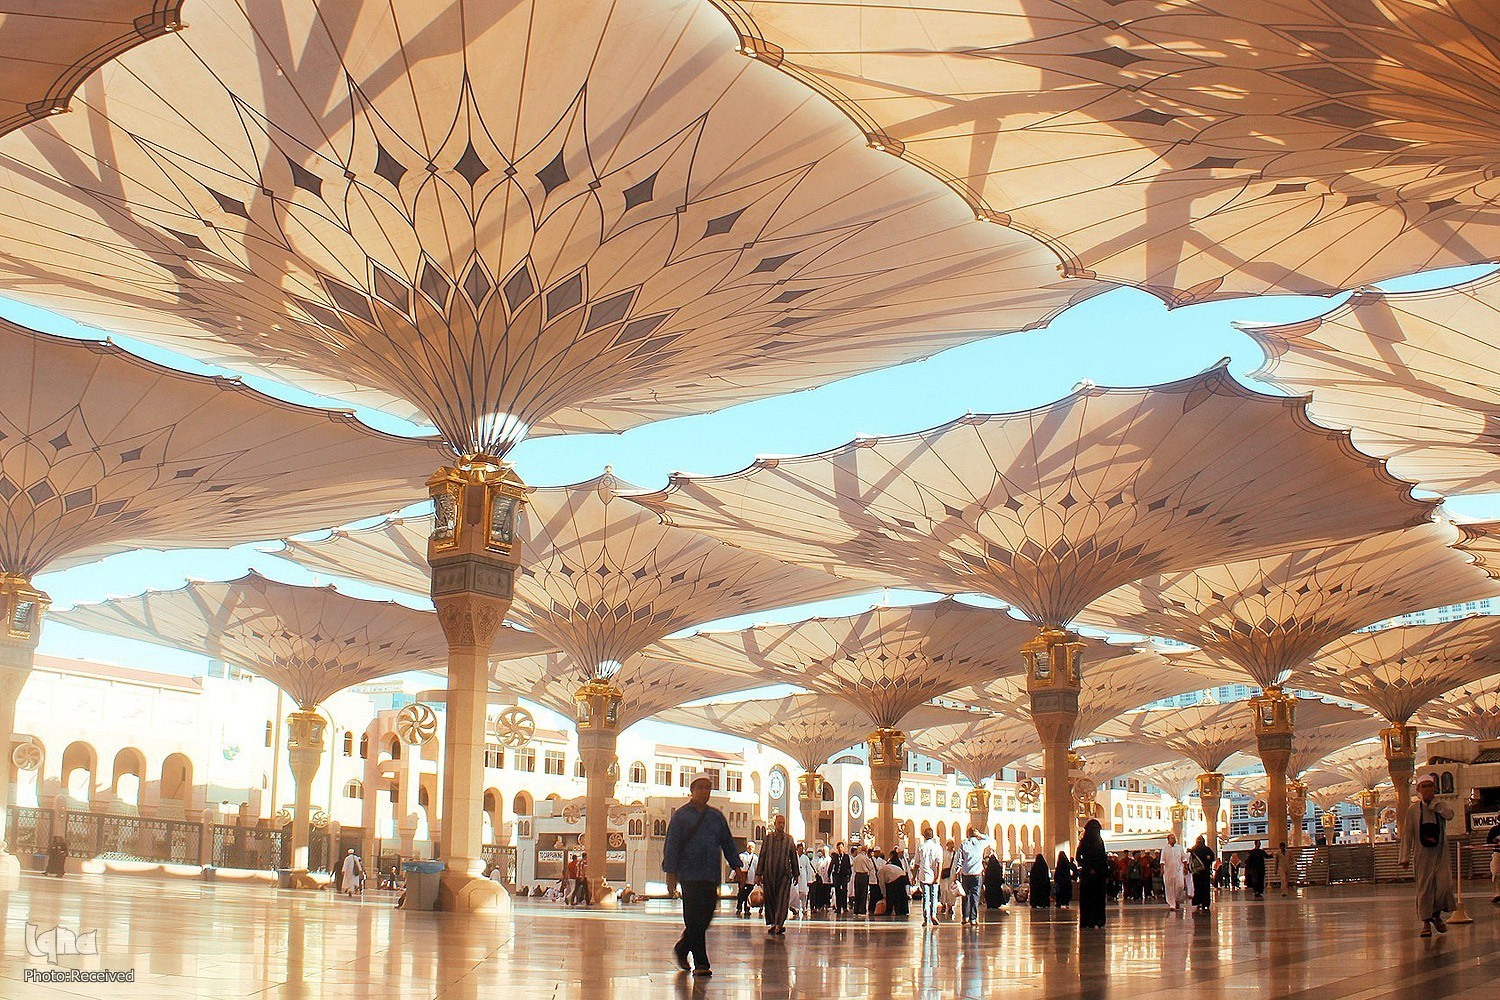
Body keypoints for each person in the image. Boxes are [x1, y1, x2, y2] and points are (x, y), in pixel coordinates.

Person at [662, 774, 744, 977]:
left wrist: (737, 867)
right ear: (692, 790)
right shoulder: (681, 816)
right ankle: (701, 962)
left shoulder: (716, 817)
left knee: (706, 916)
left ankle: (682, 948)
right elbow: (672, 846)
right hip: (689, 875)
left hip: (710, 875)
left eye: (708, 788)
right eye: (700, 787)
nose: (704, 791)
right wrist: (671, 874)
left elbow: (727, 843)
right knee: (693, 918)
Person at [1399, 773, 1456, 937]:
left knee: (1443, 887)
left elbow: (1450, 815)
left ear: (1434, 788)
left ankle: (1436, 916)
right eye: (1423, 787)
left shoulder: (1440, 806)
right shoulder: (1413, 810)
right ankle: (1425, 922)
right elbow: (1407, 834)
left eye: (1429, 786)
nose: (1426, 790)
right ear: (1418, 789)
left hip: (1440, 854)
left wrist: (1435, 805)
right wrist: (1405, 858)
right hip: (1422, 855)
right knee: (1424, 889)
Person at [758, 816, 798, 935]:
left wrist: (796, 874)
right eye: (779, 823)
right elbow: (762, 856)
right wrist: (758, 874)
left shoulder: (789, 840)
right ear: (775, 824)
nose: (781, 825)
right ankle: (773, 924)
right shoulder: (768, 839)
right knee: (770, 899)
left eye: (783, 823)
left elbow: (793, 857)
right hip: (769, 873)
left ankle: (779, 924)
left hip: (784, 875)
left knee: (782, 899)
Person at [1076, 819, 1109, 929]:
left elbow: (1103, 858)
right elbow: (1078, 857)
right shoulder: (1086, 842)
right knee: (1091, 898)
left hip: (1095, 875)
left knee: (1094, 898)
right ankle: (1092, 920)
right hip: (1092, 876)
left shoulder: (1096, 842)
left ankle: (1095, 920)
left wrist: (1089, 868)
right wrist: (1089, 867)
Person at [955, 827, 986, 925]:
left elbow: (959, 860)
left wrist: (957, 871)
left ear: (968, 834)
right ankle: (973, 918)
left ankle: (965, 917)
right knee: (975, 895)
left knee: (965, 895)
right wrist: (980, 835)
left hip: (966, 873)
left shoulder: (964, 844)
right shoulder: (981, 843)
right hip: (977, 873)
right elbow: (991, 840)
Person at [916, 827, 943, 925]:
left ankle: (926, 917)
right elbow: (940, 863)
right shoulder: (938, 847)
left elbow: (916, 863)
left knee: (925, 896)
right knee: (934, 896)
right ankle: (934, 915)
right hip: (934, 875)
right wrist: (938, 877)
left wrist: (913, 876)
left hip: (924, 875)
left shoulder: (921, 847)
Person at [878, 848, 911, 918]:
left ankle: (888, 911)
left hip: (895, 878)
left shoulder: (880, 872)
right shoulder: (887, 867)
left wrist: (884, 894)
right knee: (901, 894)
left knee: (890, 895)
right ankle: (902, 911)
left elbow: (882, 884)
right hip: (902, 876)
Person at [1160, 833, 1188, 912]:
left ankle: (1177, 900)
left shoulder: (1179, 848)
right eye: (1172, 838)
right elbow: (1162, 860)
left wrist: (1185, 867)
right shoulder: (1165, 849)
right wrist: (1162, 869)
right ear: (1168, 840)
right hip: (1168, 871)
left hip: (1178, 870)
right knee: (1169, 888)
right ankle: (1172, 904)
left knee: (1180, 886)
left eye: (1174, 838)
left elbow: (1183, 858)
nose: (1174, 839)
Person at [1188, 835, 1215, 912]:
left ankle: (1201, 903)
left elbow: (1212, 857)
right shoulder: (1205, 849)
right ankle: (1204, 903)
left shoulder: (1196, 849)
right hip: (1202, 872)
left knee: (1200, 888)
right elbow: (1211, 857)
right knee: (1203, 888)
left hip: (1199, 873)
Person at [851, 844, 876, 915]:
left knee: (857, 893)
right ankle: (862, 909)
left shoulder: (856, 858)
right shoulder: (865, 858)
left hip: (857, 875)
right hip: (863, 876)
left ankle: (856, 909)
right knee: (863, 893)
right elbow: (870, 867)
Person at [736, 841, 759, 917]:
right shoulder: (742, 856)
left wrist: (758, 877)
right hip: (742, 877)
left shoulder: (755, 858)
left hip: (751, 878)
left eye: (752, 847)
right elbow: (737, 867)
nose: (751, 848)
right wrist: (731, 876)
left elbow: (757, 868)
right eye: (749, 846)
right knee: (741, 893)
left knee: (748, 894)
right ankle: (739, 907)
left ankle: (747, 908)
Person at [830, 842, 853, 914]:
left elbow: (849, 867)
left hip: (844, 876)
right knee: (838, 891)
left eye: (841, 847)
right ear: (837, 848)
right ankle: (838, 907)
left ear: (843, 848)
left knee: (844, 891)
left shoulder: (846, 857)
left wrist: (849, 875)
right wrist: (829, 874)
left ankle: (845, 907)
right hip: (837, 876)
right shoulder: (835, 857)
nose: (840, 849)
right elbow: (831, 866)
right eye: (839, 847)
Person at [1487, 821, 1500, 905]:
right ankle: (1497, 894)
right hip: (1498, 852)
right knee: (1496, 873)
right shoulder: (1494, 829)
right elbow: (1488, 841)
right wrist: (1494, 840)